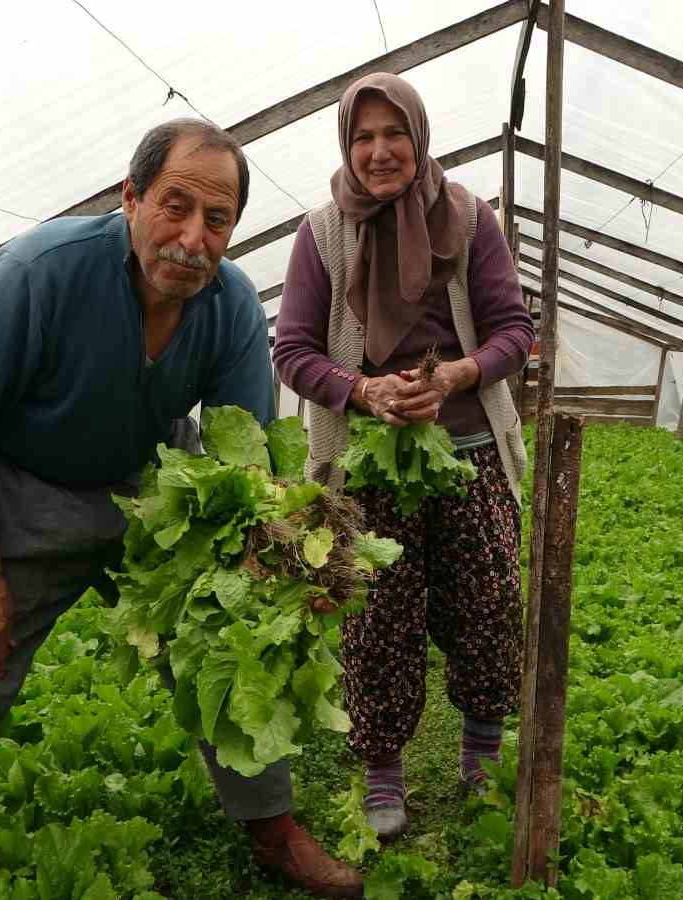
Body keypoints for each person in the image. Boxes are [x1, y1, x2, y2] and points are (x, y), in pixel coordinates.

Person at [0, 119, 363, 900]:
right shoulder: (39, 270)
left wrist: (282, 565)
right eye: (175, 206)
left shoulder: (227, 305)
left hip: (145, 493)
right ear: (131, 199)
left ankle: (275, 832)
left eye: (217, 219)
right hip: (13, 496)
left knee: (230, 653)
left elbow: (247, 459)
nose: (193, 238)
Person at [271, 74, 534, 840]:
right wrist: (362, 391)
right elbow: (292, 351)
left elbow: (513, 331)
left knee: (487, 600)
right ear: (347, 147)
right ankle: (384, 767)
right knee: (377, 616)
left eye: (394, 134)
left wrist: (456, 373)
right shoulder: (321, 234)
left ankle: (480, 751)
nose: (379, 151)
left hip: (471, 450)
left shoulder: (470, 218)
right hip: (370, 463)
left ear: (419, 140)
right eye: (363, 137)